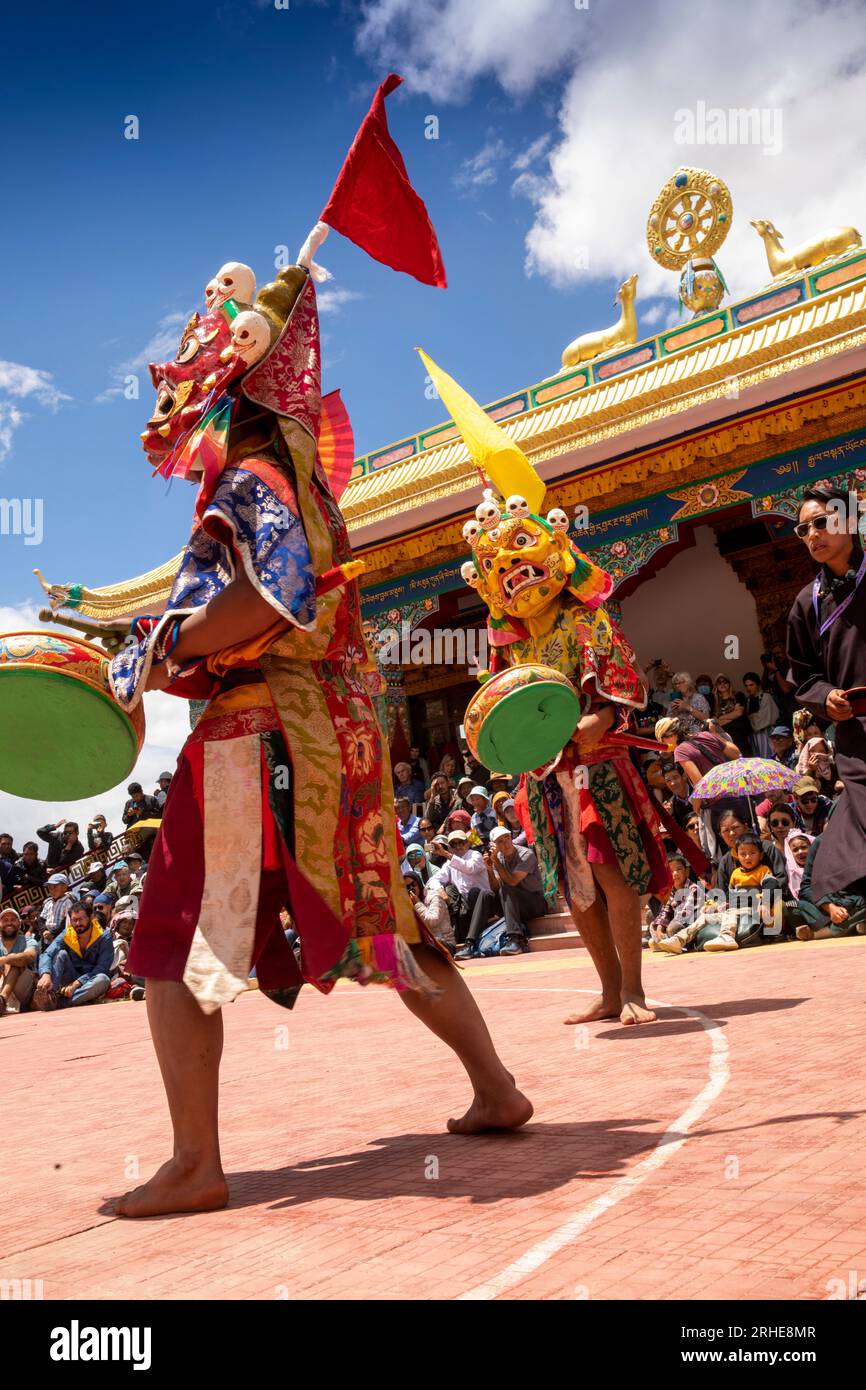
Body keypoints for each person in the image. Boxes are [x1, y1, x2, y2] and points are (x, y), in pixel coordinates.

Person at [104, 251, 530, 1218]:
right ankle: (496, 1088)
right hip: (331, 731)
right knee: (385, 921)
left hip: (254, 740)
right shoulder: (299, 485)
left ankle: (193, 1162)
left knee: (174, 938)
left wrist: (170, 649)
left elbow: (270, 603)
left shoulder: (251, 477)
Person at [34, 901, 113, 1010]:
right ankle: (50, 994)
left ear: (91, 917)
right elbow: (47, 953)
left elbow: (102, 969)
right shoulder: (67, 934)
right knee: (60, 954)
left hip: (90, 981)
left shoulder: (104, 936)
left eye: (81, 919)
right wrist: (45, 974)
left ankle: (59, 1002)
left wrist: (76, 984)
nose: (77, 924)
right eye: (74, 920)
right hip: (69, 978)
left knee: (103, 979)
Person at [481, 828, 546, 956]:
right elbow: (495, 887)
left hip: (536, 903)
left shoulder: (526, 854)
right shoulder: (498, 857)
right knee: (484, 894)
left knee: (507, 889)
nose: (506, 844)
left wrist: (496, 862)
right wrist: (488, 869)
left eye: (508, 838)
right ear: (494, 846)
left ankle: (515, 940)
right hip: (513, 904)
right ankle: (470, 942)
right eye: (500, 841)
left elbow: (512, 882)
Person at [794, 833, 866, 940]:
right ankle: (856, 925)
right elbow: (806, 887)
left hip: (859, 904)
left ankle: (819, 934)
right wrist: (830, 907)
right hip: (828, 905)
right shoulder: (820, 842)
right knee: (791, 907)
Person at [433, 830, 496, 950]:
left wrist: (446, 854)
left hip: (485, 902)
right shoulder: (449, 863)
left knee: (474, 893)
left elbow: (470, 868)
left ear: (467, 843)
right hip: (466, 908)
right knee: (450, 890)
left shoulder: (475, 855)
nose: (458, 847)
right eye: (454, 844)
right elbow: (434, 880)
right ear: (450, 847)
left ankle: (469, 942)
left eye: (460, 843)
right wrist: (440, 889)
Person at [0, 906, 38, 1016]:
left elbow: (30, 956)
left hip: (23, 990)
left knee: (17, 962)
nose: (9, 923)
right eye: (5, 920)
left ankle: (2, 1000)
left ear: (19, 923)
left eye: (13, 920)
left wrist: (5, 959)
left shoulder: (28, 940)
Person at [792, 710, 836, 797]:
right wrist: (812, 770)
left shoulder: (830, 754)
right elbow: (802, 784)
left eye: (816, 733)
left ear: (822, 736)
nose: (813, 737)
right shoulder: (800, 759)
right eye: (809, 734)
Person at [712, 674, 752, 753]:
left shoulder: (738, 695)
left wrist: (721, 717)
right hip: (724, 737)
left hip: (740, 735)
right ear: (716, 686)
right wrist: (731, 716)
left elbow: (738, 713)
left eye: (725, 682)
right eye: (719, 683)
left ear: (729, 683)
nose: (722, 684)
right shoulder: (715, 701)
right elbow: (715, 722)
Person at [742, 672, 779, 757]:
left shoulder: (765, 697)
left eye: (751, 685)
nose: (748, 688)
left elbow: (765, 718)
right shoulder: (748, 700)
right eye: (746, 685)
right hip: (754, 736)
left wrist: (752, 717)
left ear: (757, 684)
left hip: (766, 734)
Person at [38, 873, 73, 943]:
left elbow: (66, 922)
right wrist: (44, 930)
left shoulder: (67, 902)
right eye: (49, 888)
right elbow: (41, 919)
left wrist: (53, 934)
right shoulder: (48, 903)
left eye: (55, 887)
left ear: (64, 887)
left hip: (61, 938)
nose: (52, 890)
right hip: (47, 938)